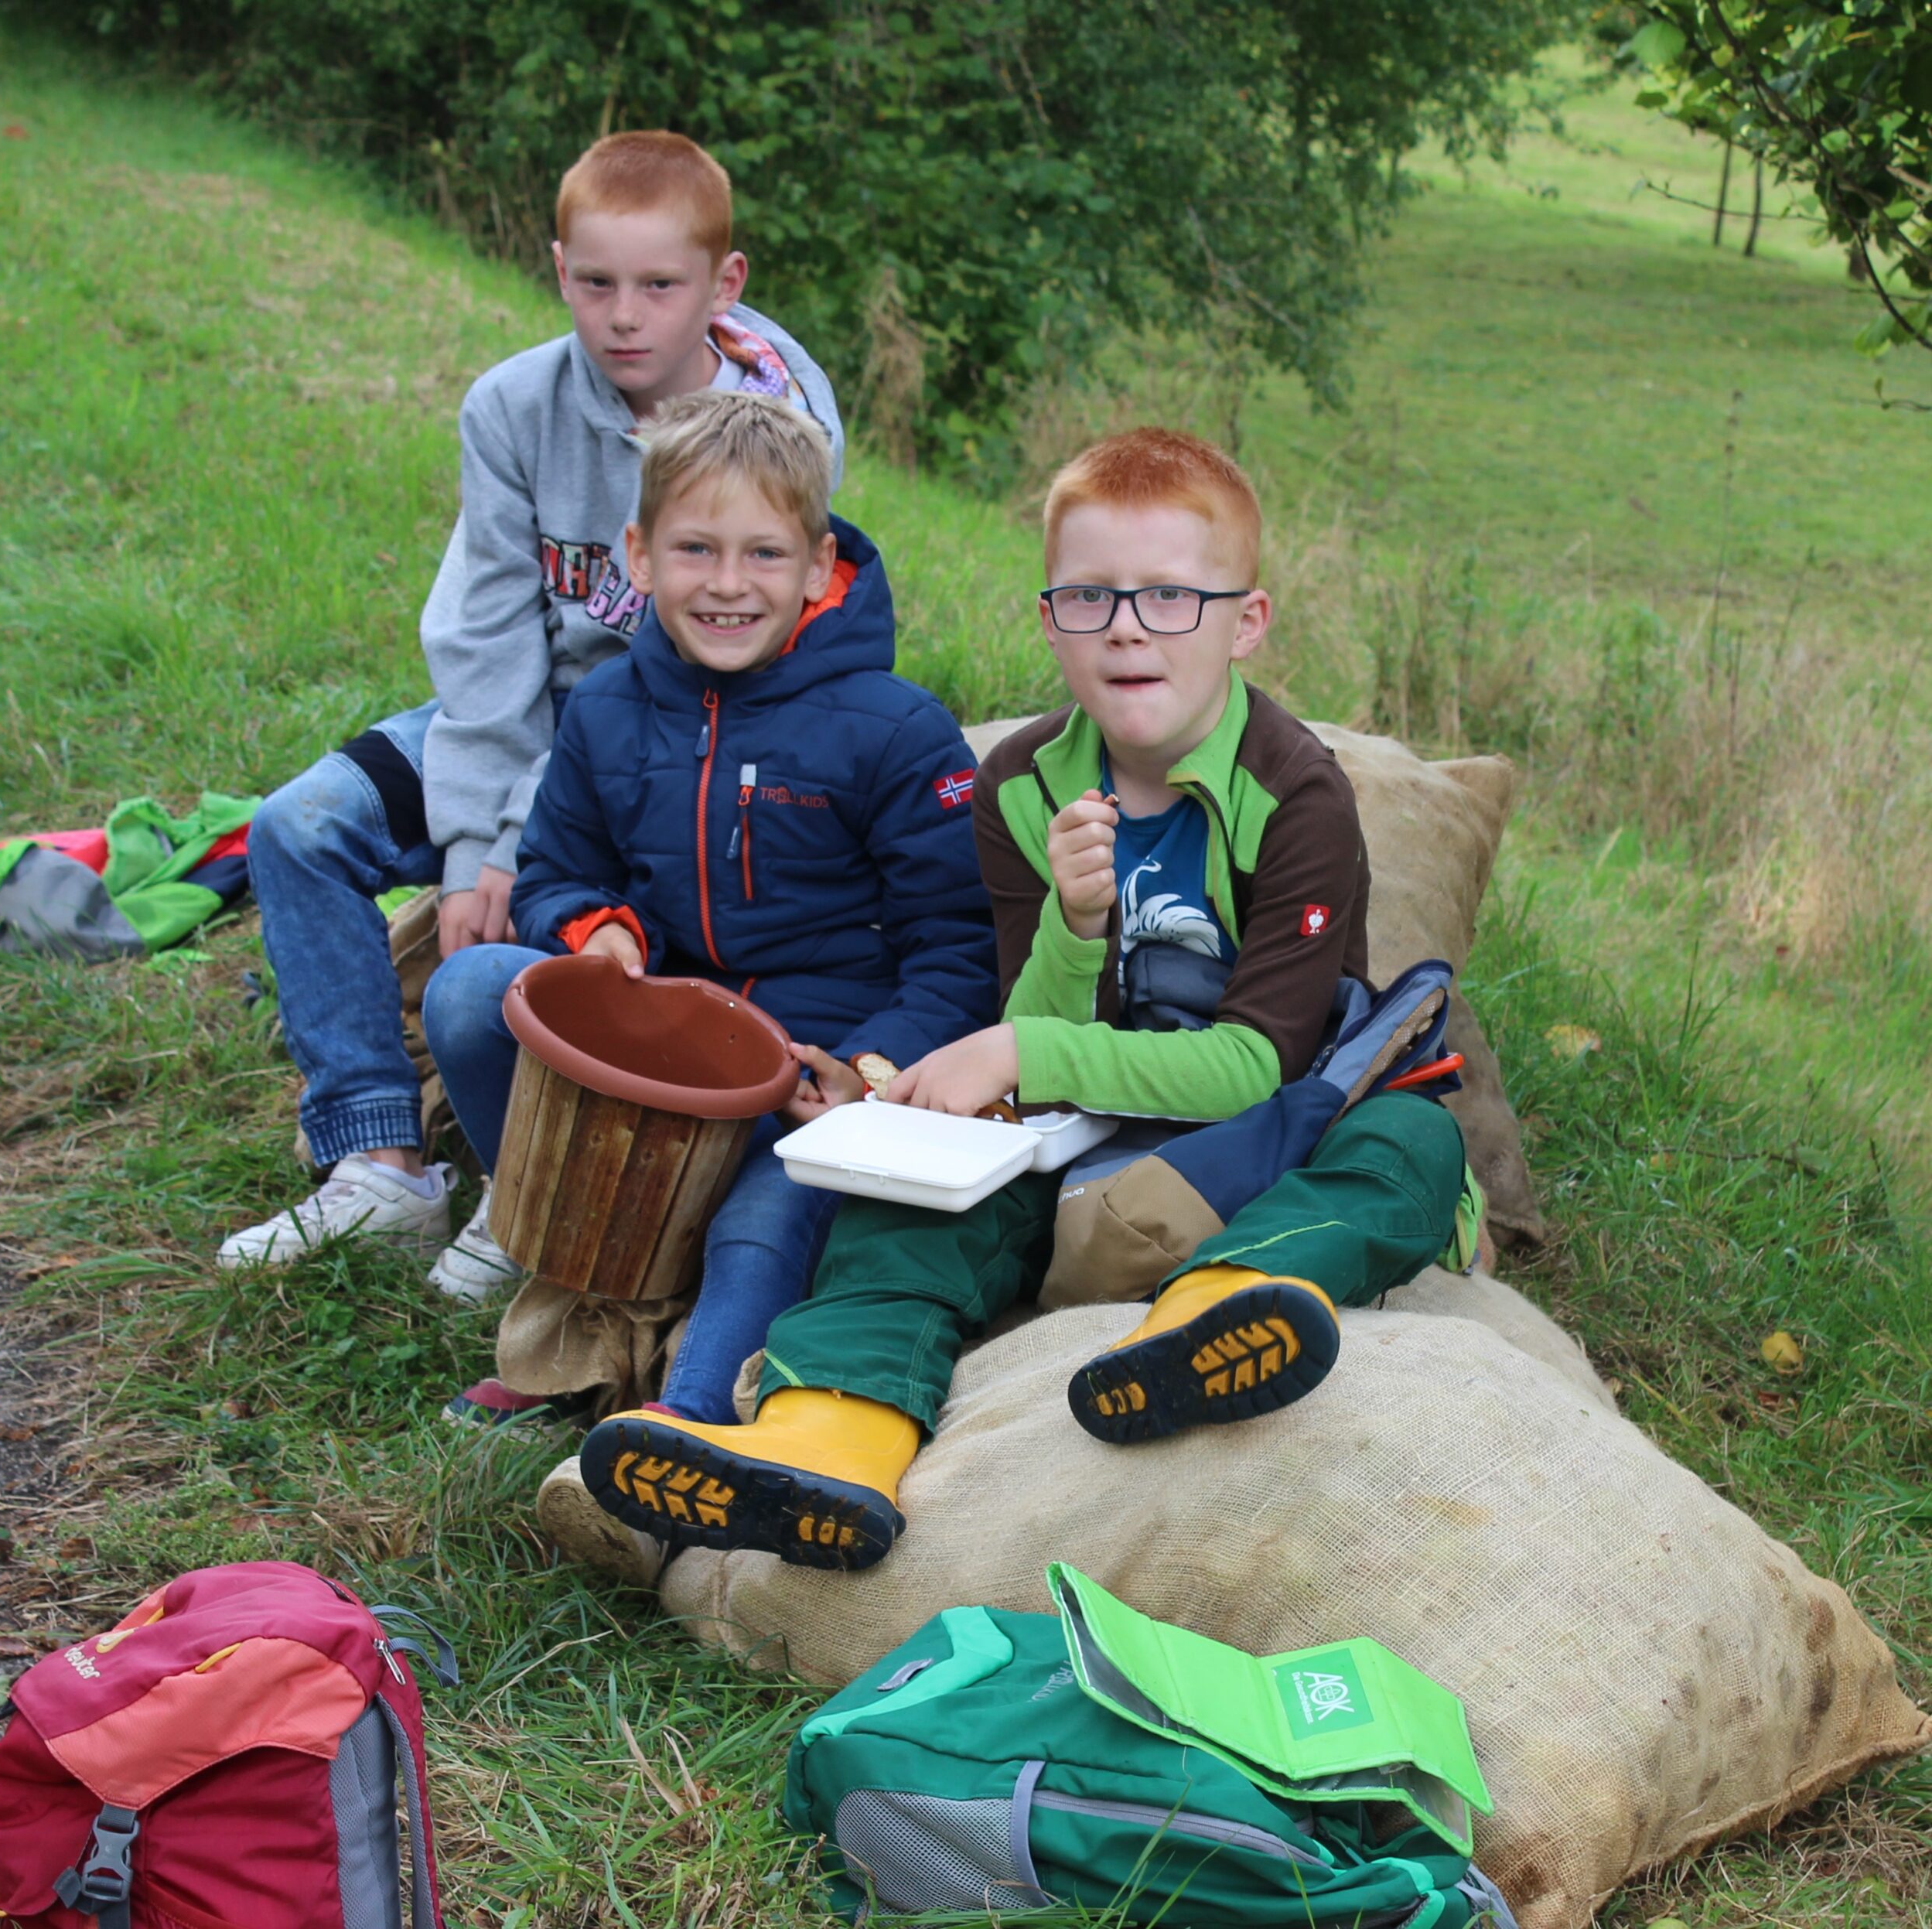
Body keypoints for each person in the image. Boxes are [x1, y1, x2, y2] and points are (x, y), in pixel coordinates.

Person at [568, 428, 1469, 1574]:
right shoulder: (1021, 782)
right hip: (1073, 1167)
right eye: (1091, 597)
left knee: (1414, 1143)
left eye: (1172, 599)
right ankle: (826, 1435)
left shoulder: (1296, 795)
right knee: (895, 1201)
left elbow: (1260, 1064)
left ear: (1247, 623)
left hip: (1252, 1151)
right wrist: (1072, 929)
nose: (1129, 626)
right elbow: (1027, 1018)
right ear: (1050, 622)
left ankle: (1218, 1314)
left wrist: (1018, 1045)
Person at [218, 131, 842, 1282]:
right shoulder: (512, 407)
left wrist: (521, 841)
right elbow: (489, 634)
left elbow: (702, 662)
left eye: (659, 287)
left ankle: (539, 1173)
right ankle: (378, 1157)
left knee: (554, 910)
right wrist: (472, 842)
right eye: (594, 282)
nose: (624, 316)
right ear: (557, 267)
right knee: (293, 827)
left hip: (658, 733)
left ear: (725, 284)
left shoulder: (779, 418)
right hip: (517, 711)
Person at [421, 389, 998, 1456]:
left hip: (807, 1070)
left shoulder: (897, 731)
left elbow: (964, 947)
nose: (727, 585)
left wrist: (875, 1068)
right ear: (638, 556)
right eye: (694, 549)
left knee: (773, 1210)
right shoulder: (606, 710)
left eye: (764, 555)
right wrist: (600, 933)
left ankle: (681, 1418)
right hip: (666, 1048)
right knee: (466, 990)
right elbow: (555, 870)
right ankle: (572, 1282)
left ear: (821, 566)